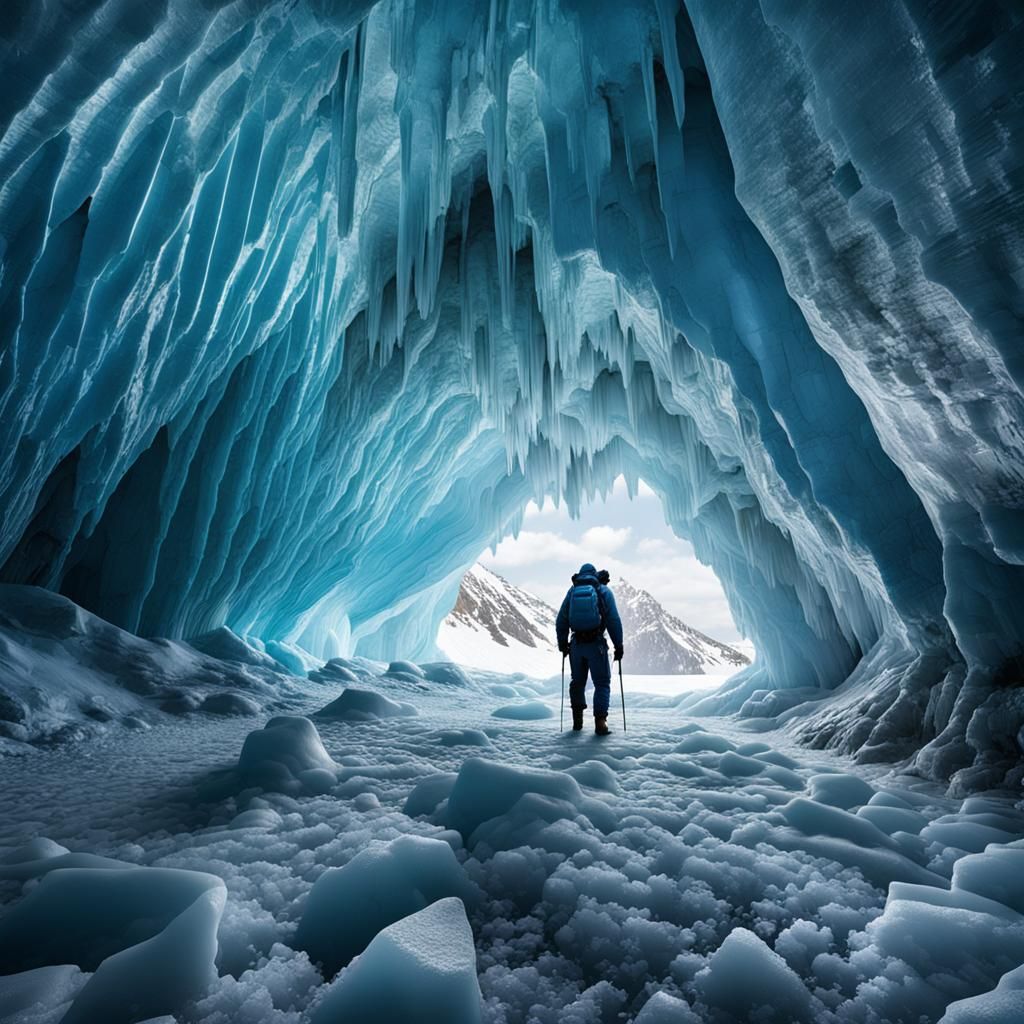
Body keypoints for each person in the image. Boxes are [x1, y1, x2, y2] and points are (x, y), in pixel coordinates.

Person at [555, 562, 623, 735]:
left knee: (577, 682)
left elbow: (561, 620)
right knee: (601, 683)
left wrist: (563, 644)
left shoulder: (572, 592)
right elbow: (613, 620)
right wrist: (618, 645)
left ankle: (577, 722)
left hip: (576, 645)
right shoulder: (603, 591)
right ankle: (600, 722)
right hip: (596, 644)